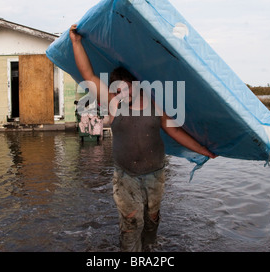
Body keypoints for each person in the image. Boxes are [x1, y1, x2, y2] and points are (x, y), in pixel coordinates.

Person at [69, 24, 217, 252]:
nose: (122, 94)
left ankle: (149, 247)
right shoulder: (112, 103)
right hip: (125, 175)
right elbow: (88, 75)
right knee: (130, 222)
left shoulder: (155, 104)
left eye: (126, 88)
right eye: (117, 90)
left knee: (151, 219)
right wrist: (76, 43)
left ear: (136, 86)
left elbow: (176, 132)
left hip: (155, 173)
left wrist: (203, 150)